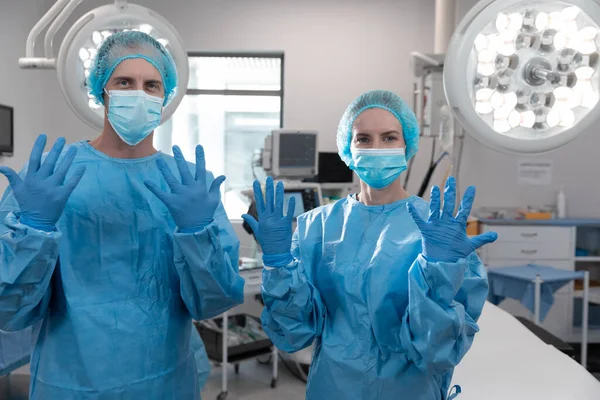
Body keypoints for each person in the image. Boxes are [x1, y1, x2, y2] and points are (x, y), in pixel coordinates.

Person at [0, 31, 244, 399]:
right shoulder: (52, 180)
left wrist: (198, 234)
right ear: (101, 90)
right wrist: (32, 232)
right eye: (124, 82)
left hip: (165, 381)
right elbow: (9, 312)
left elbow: (215, 301)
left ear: (166, 97)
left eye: (152, 85)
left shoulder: (189, 185)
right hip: (71, 384)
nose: (139, 94)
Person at [242, 90, 498, 400]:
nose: (377, 147)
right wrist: (278, 263)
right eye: (363, 138)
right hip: (333, 388)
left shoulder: (437, 232)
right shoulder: (316, 228)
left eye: (389, 138)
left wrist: (440, 273)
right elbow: (294, 334)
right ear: (347, 149)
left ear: (408, 147)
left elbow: (436, 352)